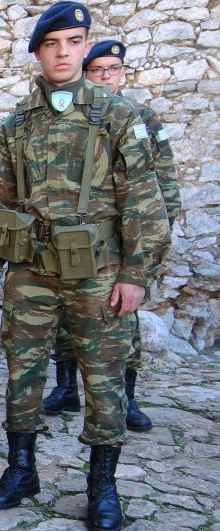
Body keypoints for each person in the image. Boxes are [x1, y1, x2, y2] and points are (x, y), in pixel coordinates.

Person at [0, 2, 171, 531]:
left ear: (86, 47)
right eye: (52, 43)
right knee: (23, 373)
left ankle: (102, 485)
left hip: (99, 274)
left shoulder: (118, 116)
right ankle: (23, 468)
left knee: (104, 382)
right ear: (37, 52)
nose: (63, 52)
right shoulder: (16, 125)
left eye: (74, 42)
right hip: (31, 274)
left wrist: (136, 274)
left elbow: (144, 202)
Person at [43, 39, 182, 433]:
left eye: (112, 70)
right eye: (97, 70)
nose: (104, 76)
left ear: (122, 74)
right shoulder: (69, 114)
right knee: (66, 322)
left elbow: (161, 183)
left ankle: (127, 399)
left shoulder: (139, 117)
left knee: (124, 324)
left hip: (120, 244)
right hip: (71, 244)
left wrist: (147, 244)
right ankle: (66, 387)